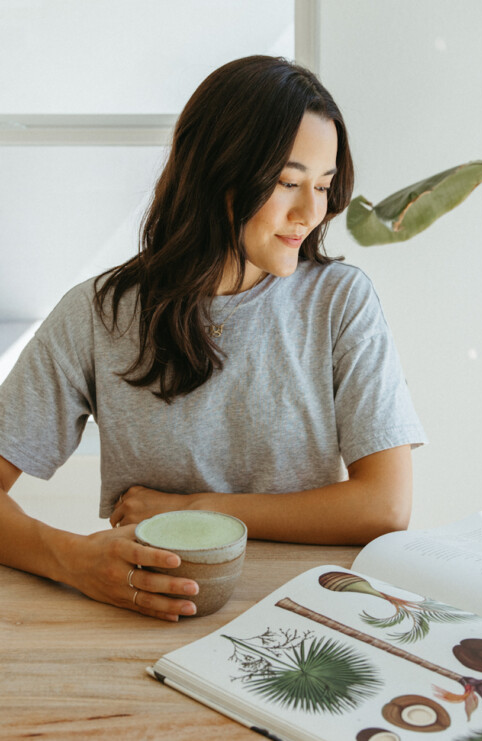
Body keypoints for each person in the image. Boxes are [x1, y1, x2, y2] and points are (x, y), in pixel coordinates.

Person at [0, 55, 427, 621]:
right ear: (219, 172)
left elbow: (385, 506)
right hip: (147, 614)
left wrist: (198, 508)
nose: (311, 212)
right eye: (288, 182)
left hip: (310, 614)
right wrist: (72, 559)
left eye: (323, 186)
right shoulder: (99, 314)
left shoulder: (340, 302)